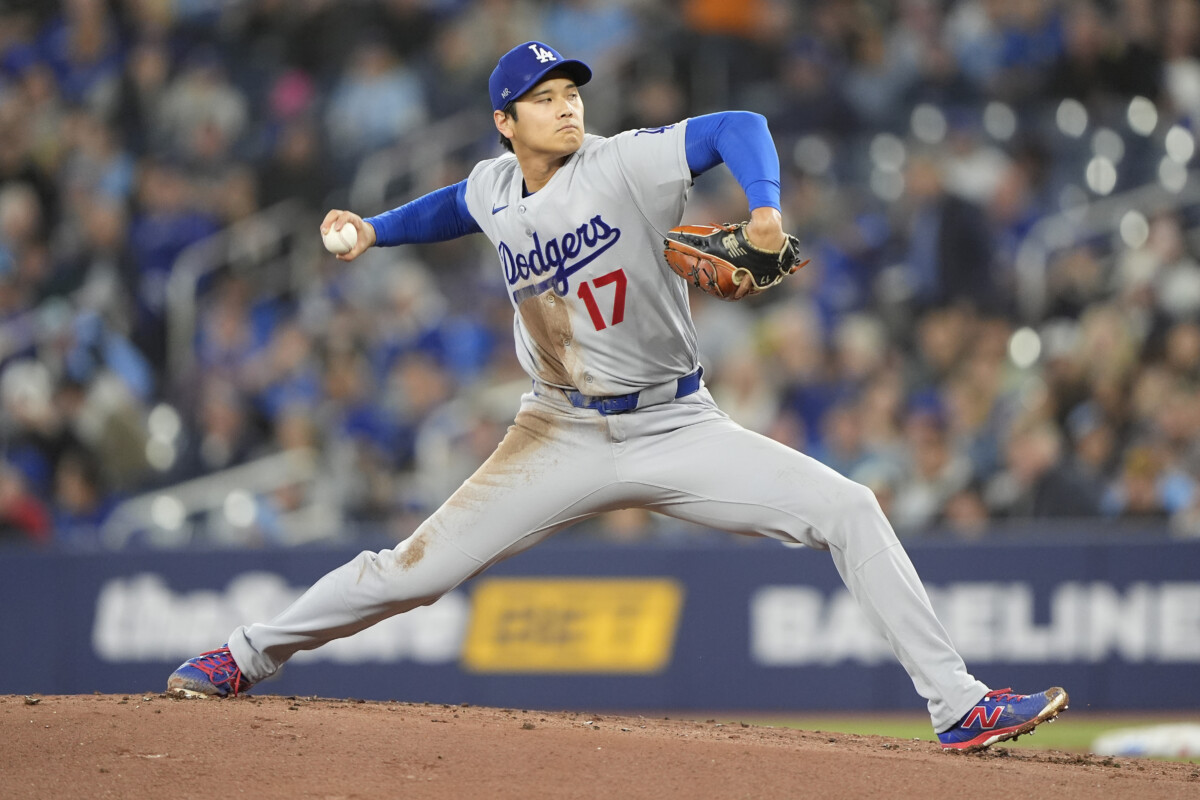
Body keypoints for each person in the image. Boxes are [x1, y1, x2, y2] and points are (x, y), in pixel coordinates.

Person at [168, 41, 1067, 752]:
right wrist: (373, 229)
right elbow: (457, 204)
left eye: (571, 92)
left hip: (677, 422)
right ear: (504, 121)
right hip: (554, 431)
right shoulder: (495, 184)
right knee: (412, 573)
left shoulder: (624, 165)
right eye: (545, 98)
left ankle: (958, 706)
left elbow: (739, 122)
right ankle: (244, 655)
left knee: (850, 507)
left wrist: (761, 207)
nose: (567, 107)